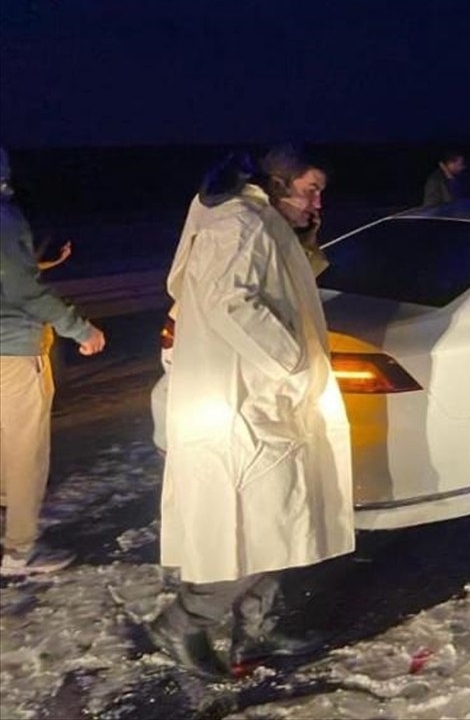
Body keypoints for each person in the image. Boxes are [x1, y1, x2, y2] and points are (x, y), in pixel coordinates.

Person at [147, 144, 354, 680]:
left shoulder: (260, 220)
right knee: (251, 526)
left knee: (280, 521)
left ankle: (254, 634)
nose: (318, 202)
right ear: (279, 184)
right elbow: (232, 301)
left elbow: (277, 280)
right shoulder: (238, 224)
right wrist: (296, 364)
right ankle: (183, 621)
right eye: (311, 190)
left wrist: (303, 236)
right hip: (242, 407)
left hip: (264, 403)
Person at [0, 146, 106, 577]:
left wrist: (36, 263)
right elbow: (23, 291)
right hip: (11, 351)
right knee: (26, 451)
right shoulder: (5, 218)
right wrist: (81, 329)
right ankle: (20, 551)